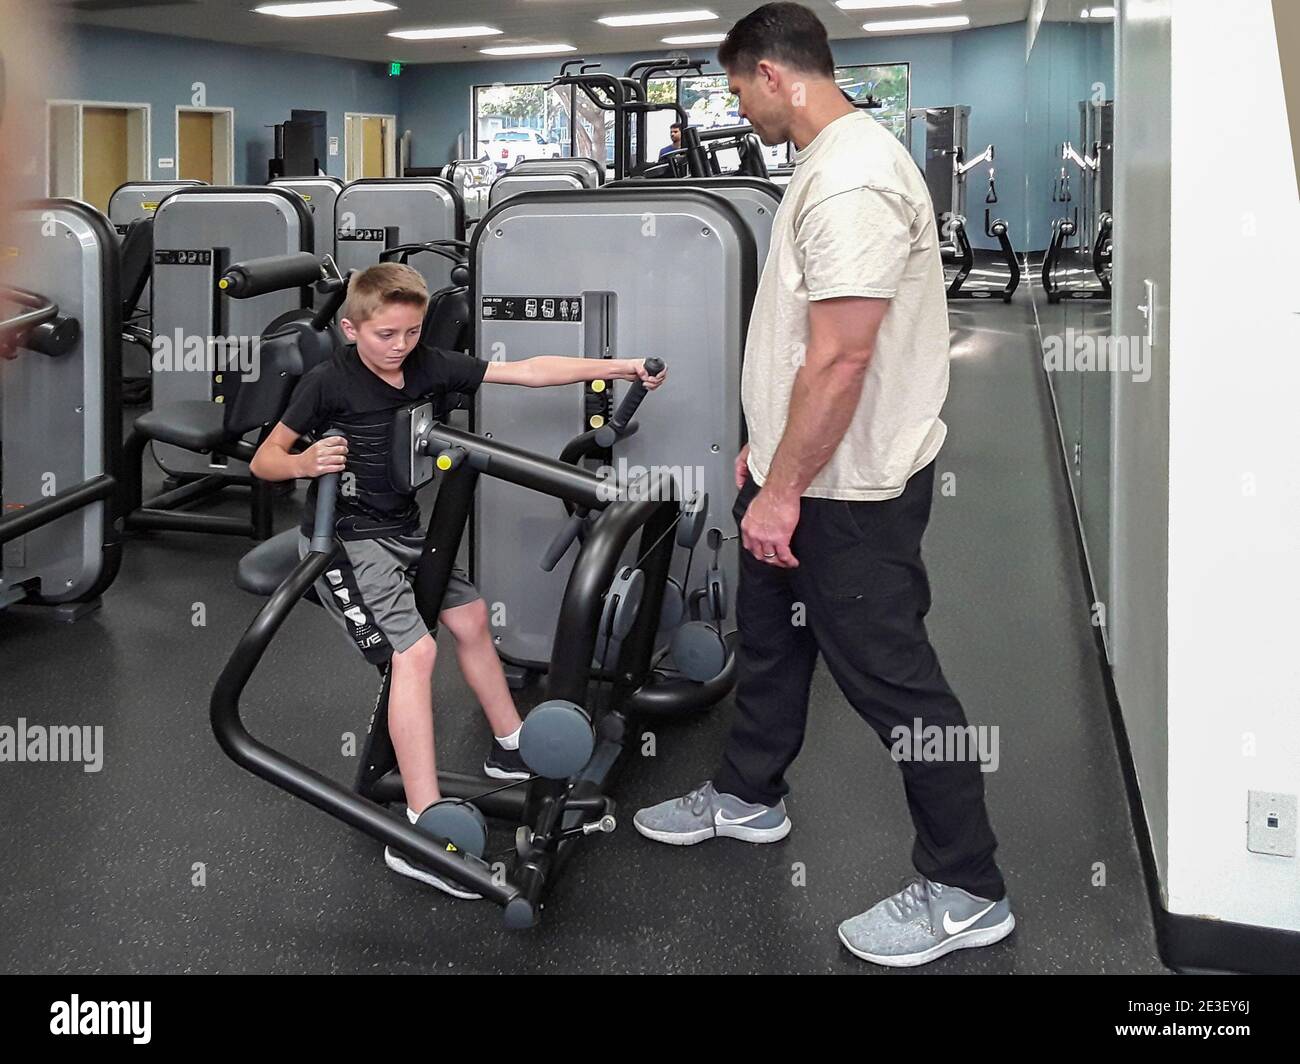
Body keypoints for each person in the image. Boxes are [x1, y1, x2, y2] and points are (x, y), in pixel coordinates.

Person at [632, 2, 1013, 967]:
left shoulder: (849, 179)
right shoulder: (827, 164)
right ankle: (750, 796)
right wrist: (766, 451)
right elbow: (806, 345)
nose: (735, 107)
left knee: (896, 685)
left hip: (847, 490)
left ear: (772, 74)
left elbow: (842, 361)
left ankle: (967, 885)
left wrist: (783, 488)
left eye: (733, 86)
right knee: (771, 645)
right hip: (804, 470)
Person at [251, 262, 665, 899]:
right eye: (387, 334)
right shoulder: (326, 383)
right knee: (414, 656)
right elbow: (264, 461)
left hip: (409, 532)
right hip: (347, 543)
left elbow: (526, 372)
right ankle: (420, 830)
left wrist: (622, 367)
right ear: (350, 327)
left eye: (412, 332)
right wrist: (305, 460)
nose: (401, 346)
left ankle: (510, 746)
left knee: (472, 619)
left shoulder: (428, 365)